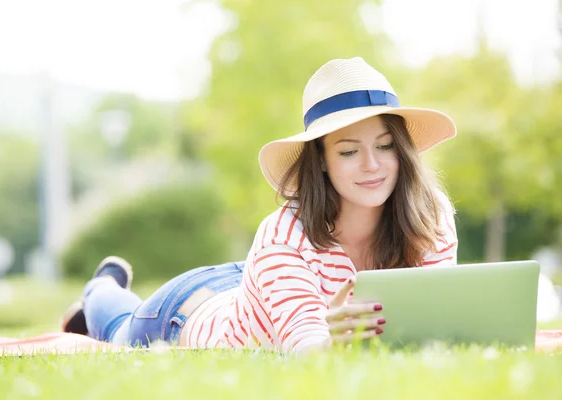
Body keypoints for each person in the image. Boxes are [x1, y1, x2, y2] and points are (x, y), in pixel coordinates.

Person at [61, 57, 458, 353]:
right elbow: (305, 349)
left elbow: (441, 320)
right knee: (118, 330)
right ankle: (100, 288)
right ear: (321, 160)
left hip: (251, 284)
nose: (372, 166)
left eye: (385, 146)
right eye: (349, 152)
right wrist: (333, 339)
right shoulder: (284, 234)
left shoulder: (430, 217)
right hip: (188, 310)